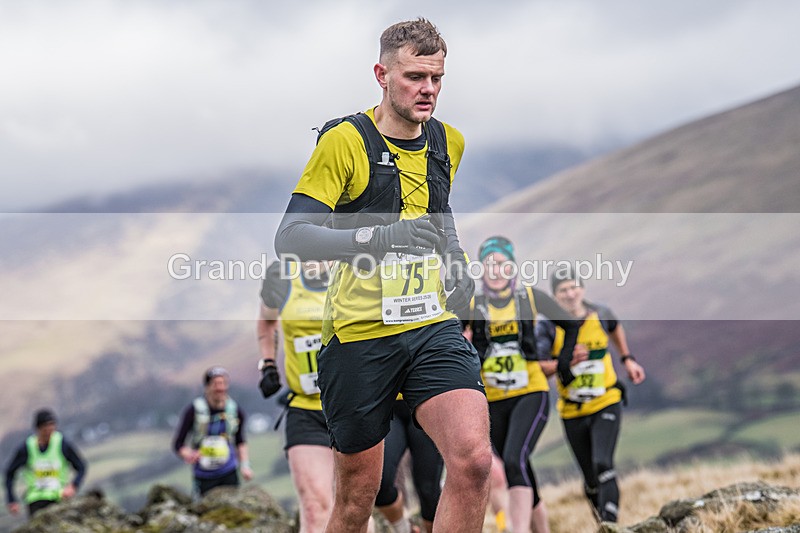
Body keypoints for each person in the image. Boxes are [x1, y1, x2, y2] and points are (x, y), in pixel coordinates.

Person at [274, 18, 492, 532]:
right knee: (357, 499)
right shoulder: (345, 142)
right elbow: (291, 237)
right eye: (416, 77)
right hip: (359, 336)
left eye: (437, 78)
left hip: (430, 326)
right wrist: (375, 239)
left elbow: (441, 215)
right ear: (382, 74)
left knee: (475, 462)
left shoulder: (448, 142)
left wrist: (456, 260)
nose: (429, 90)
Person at [463, 236, 579, 533]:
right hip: (492, 400)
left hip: (530, 393)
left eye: (502, 264)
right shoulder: (473, 304)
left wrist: (564, 362)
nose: (496, 270)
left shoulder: (530, 297)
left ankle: (518, 530)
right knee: (519, 467)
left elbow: (570, 323)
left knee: (515, 460)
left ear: (512, 267)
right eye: (489, 265)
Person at [536, 270, 646, 523]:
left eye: (574, 287)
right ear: (555, 296)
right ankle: (602, 522)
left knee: (602, 464)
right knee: (589, 478)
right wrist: (566, 360)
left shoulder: (601, 313)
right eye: (563, 290)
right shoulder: (548, 326)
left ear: (582, 289)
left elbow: (615, 328)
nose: (570, 294)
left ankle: (609, 525)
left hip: (606, 400)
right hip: (572, 409)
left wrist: (627, 359)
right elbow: (540, 367)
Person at [257, 259, 334, 533]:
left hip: (353, 409)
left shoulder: (357, 267)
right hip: (304, 409)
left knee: (354, 507)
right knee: (315, 508)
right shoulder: (282, 275)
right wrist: (267, 363)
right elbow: (267, 322)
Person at [172, 366, 254, 497]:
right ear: (207, 387)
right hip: (204, 474)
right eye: (216, 384)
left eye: (223, 383)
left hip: (229, 471)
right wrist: (189, 454)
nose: (220, 388)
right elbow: (178, 444)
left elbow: (240, 441)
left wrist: (245, 466)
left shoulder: (235, 411)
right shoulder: (194, 410)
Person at [375, 400, 443, 533]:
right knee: (378, 482)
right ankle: (404, 529)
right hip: (386, 403)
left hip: (425, 399)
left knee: (428, 490)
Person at [4, 409, 87, 517]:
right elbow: (10, 473)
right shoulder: (27, 448)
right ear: (38, 428)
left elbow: (81, 466)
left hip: (59, 497)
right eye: (45, 427)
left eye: (52, 426)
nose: (49, 431)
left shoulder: (62, 443)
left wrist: (73, 486)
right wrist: (11, 500)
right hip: (36, 500)